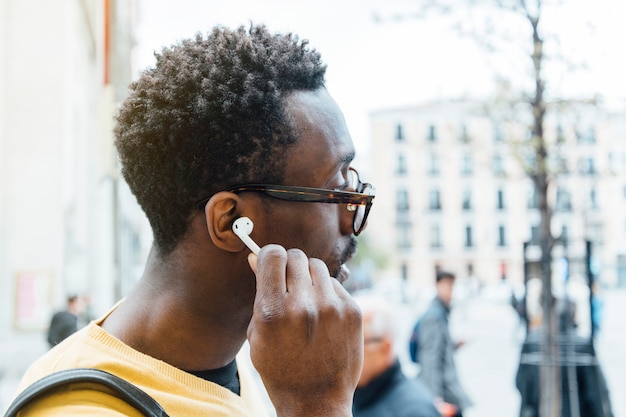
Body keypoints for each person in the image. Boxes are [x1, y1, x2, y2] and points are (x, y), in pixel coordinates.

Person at [14, 24, 375, 416]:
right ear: (233, 221)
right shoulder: (82, 411)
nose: (351, 217)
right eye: (336, 188)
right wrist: (318, 405)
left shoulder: (246, 361)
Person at [516, 293, 614, 417]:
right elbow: (595, 392)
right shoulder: (583, 344)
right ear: (573, 315)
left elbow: (520, 382)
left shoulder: (531, 341)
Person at [352, 295, 440, 417]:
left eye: (354, 345)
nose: (345, 354)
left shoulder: (415, 411)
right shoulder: (353, 397)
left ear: (385, 348)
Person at [416, 270, 472, 417]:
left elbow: (439, 349)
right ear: (437, 286)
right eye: (446, 286)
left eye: (452, 287)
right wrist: (435, 398)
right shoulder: (434, 317)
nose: (450, 292)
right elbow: (430, 358)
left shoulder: (441, 313)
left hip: (447, 390)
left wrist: (453, 345)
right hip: (444, 392)